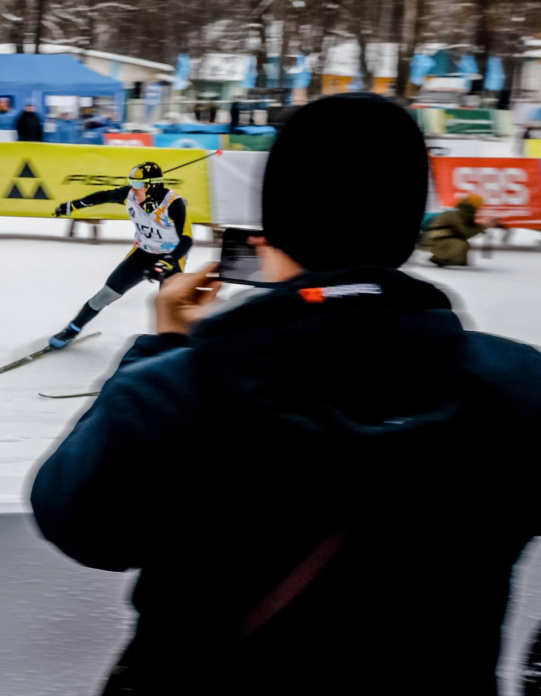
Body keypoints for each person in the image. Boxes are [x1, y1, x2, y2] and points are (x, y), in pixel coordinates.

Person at [29, 93, 541, 696]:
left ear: (273, 229)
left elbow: (79, 524)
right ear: (406, 226)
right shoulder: (520, 385)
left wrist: (164, 345)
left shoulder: (173, 392)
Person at [47, 161, 191, 348]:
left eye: (138, 184)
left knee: (167, 305)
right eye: (131, 183)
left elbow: (187, 240)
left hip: (171, 256)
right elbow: (104, 196)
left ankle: (172, 345)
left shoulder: (174, 204)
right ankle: (73, 328)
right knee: (105, 295)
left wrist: (166, 262)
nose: (133, 188)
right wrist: (73, 206)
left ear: (152, 185)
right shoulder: (130, 195)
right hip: (143, 253)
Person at [420, 194, 499, 267]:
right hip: (432, 238)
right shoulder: (456, 214)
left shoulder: (463, 214)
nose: (479, 210)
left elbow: (469, 230)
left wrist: (483, 226)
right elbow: (465, 233)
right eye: (478, 208)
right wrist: (483, 226)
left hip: (439, 237)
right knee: (460, 244)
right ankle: (438, 258)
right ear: (474, 206)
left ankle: (453, 261)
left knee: (463, 245)